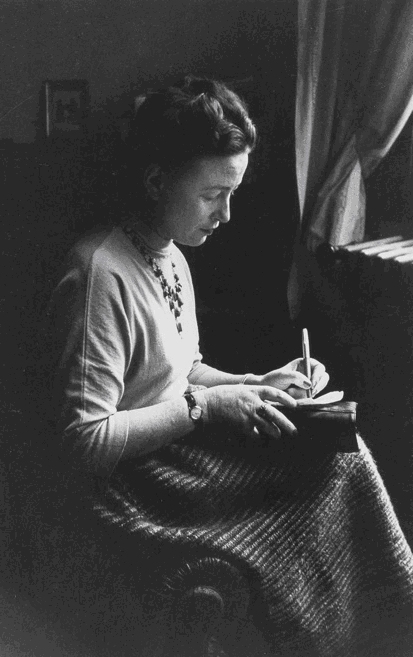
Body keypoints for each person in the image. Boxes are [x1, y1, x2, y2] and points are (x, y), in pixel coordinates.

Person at [43, 76, 413, 656]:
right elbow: (83, 441)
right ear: (156, 181)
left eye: (232, 192)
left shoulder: (169, 255)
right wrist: (206, 407)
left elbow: (181, 369)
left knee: (340, 453)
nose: (227, 213)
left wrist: (255, 384)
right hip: (134, 483)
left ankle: (381, 618)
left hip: (176, 449)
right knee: (329, 470)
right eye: (213, 194)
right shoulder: (99, 274)